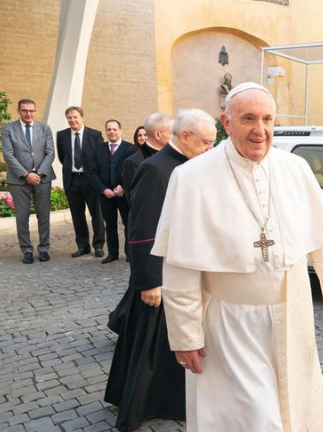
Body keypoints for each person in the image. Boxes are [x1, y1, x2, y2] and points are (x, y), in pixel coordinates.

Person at [152, 82, 323, 432]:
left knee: (293, 409)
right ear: (226, 123)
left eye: (267, 119)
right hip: (229, 325)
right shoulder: (191, 177)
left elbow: (321, 240)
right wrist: (185, 336)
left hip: (292, 312)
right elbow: (181, 265)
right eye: (248, 119)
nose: (260, 130)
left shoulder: (295, 168)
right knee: (253, 418)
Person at [104, 109, 216, 432]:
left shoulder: (187, 165)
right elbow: (141, 230)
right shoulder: (156, 170)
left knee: (164, 346)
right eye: (206, 142)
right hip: (160, 277)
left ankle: (168, 400)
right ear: (185, 137)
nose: (210, 148)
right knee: (149, 347)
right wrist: (150, 281)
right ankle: (139, 408)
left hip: (181, 272)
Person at [108, 113, 174, 334]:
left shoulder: (168, 160)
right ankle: (121, 322)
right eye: (172, 132)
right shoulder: (134, 162)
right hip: (142, 231)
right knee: (138, 286)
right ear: (158, 134)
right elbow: (135, 202)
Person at [0, 99, 56, 264]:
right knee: (22, 217)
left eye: (32, 110)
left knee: (44, 215)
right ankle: (27, 250)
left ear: (35, 111)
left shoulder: (44, 128)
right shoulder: (8, 129)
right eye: (25, 110)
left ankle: (44, 248)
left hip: (42, 178)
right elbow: (8, 155)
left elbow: (50, 153)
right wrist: (26, 174)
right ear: (18, 111)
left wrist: (38, 173)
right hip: (18, 180)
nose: (29, 114)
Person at [56, 106, 106, 258]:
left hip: (90, 180)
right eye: (70, 117)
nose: (72, 120)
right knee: (77, 215)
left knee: (96, 215)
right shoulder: (62, 135)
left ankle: (98, 245)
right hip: (72, 180)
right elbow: (62, 157)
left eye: (75, 117)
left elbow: (100, 159)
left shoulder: (94, 135)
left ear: (82, 118)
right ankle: (83, 246)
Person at [89, 119, 134, 264]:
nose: (112, 132)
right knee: (110, 225)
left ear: (120, 130)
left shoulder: (130, 148)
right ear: (105, 131)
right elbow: (93, 172)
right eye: (109, 129)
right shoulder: (99, 149)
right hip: (106, 195)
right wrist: (103, 189)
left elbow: (133, 172)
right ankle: (113, 253)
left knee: (129, 223)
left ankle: (130, 253)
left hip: (123, 194)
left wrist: (123, 187)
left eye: (114, 129)